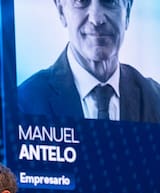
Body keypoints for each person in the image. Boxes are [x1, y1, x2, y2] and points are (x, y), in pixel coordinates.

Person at [18, 0, 160, 122]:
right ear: (61, 11)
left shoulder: (155, 99)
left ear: (127, 11)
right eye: (81, 1)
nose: (96, 20)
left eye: (110, 0)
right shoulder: (24, 102)